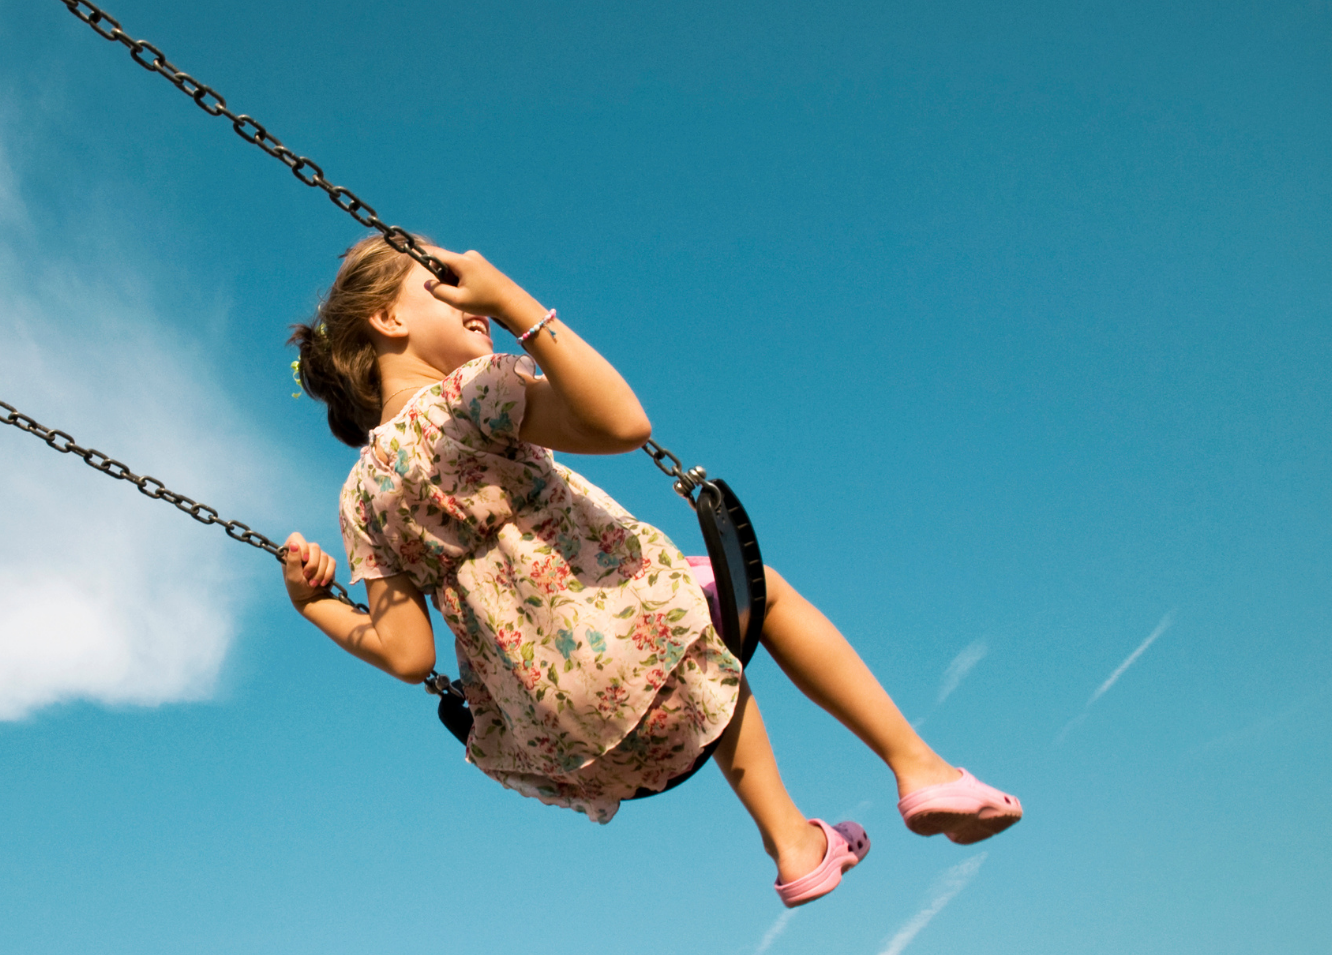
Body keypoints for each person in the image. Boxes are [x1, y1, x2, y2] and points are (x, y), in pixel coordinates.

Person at [283, 234, 1021, 907]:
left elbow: (408, 656)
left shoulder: (358, 499)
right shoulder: (472, 395)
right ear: (389, 319)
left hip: (556, 734)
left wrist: (317, 605)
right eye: (440, 277)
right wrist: (512, 300)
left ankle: (794, 843)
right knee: (751, 597)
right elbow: (623, 424)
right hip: (627, 634)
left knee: (698, 650)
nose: (465, 289)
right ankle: (919, 768)